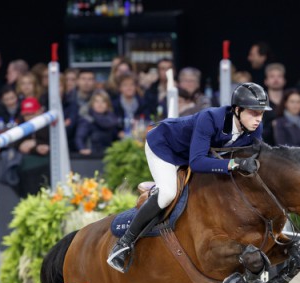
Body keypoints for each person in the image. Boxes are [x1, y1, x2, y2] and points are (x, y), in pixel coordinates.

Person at [107, 82, 271, 272]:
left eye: (261, 113)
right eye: (253, 112)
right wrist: (235, 164)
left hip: (194, 153)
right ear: (237, 110)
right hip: (165, 146)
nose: (258, 118)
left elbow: (258, 158)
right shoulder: (210, 118)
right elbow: (197, 163)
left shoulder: (253, 128)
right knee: (168, 193)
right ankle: (124, 244)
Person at [14, 97, 50, 197]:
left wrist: (35, 144)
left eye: (32, 113)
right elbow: (19, 145)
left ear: (40, 111)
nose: (30, 118)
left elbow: (48, 146)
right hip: (26, 172)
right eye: (26, 115)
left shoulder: (49, 124)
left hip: (46, 168)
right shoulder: (20, 125)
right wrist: (36, 147)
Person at [74, 90, 119, 157]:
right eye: (97, 101)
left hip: (109, 156)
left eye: (103, 101)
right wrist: (82, 148)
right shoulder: (87, 119)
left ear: (108, 104)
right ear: (92, 104)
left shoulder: (113, 120)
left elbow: (115, 139)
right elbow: (79, 137)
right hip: (92, 157)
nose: (100, 104)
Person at [112, 72, 147, 136]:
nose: (129, 87)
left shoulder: (143, 104)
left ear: (136, 87)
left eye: (132, 84)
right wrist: (118, 133)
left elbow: (147, 121)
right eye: (125, 85)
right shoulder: (114, 105)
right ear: (120, 88)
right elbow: (112, 126)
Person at [261, 63, 287, 144]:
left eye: (279, 76)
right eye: (272, 76)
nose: (276, 79)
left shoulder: (291, 101)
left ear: (284, 80)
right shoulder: (259, 103)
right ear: (266, 81)